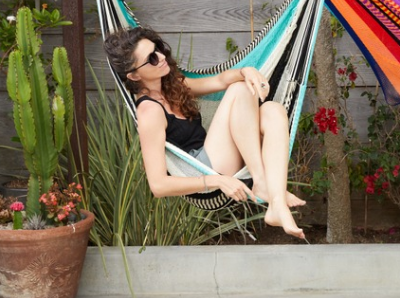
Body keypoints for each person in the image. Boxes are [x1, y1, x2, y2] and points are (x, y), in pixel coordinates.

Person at [103, 26, 306, 240]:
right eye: (152, 58)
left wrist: (245, 71)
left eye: (159, 49)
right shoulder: (149, 112)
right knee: (239, 89)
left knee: (273, 110)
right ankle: (263, 183)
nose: (162, 57)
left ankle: (275, 202)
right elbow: (158, 185)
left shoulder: (171, 85)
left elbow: (218, 81)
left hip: (222, 155)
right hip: (204, 173)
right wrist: (216, 181)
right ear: (134, 75)